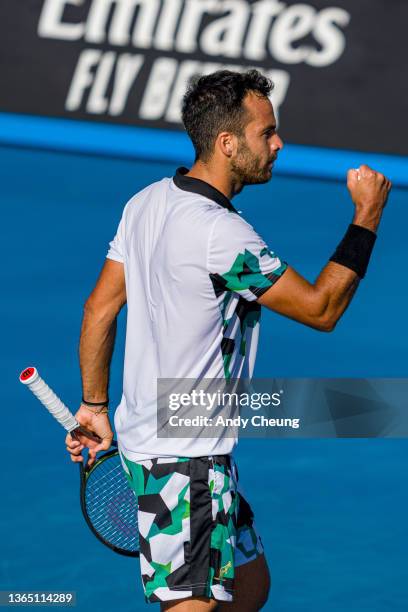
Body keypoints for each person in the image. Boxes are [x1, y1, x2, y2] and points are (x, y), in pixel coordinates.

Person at [65, 70, 391, 610]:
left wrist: (94, 405)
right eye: (267, 133)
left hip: (184, 441)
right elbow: (321, 308)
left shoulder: (145, 201)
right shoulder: (220, 233)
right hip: (184, 461)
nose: (278, 143)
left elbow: (99, 307)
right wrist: (367, 216)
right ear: (227, 143)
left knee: (251, 587)